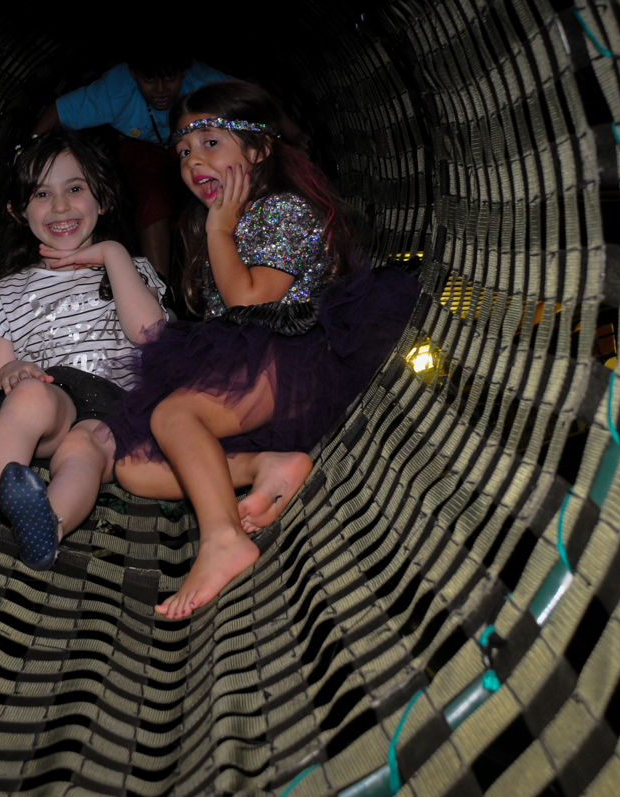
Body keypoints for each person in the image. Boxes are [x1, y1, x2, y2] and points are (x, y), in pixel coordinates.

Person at [106, 82, 421, 618]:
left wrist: (221, 231)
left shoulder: (282, 210)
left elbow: (250, 299)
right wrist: (217, 232)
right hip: (254, 371)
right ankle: (265, 466)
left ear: (258, 150)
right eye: (183, 151)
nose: (193, 159)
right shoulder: (215, 226)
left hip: (299, 357)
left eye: (210, 142)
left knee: (174, 415)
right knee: (133, 467)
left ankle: (223, 539)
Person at [0, 128, 168, 570]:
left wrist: (115, 254)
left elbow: (150, 333)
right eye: (42, 194)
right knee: (28, 396)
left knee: (84, 449)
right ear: (19, 211)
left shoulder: (130, 269)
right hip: (53, 398)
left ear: (103, 200)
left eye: (75, 189)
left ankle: (47, 528)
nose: (60, 206)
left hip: (119, 411)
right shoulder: (5, 295)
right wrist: (10, 375)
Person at [32, 47, 308, 281]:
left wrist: (295, 134)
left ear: (184, 72)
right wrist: (31, 149)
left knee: (200, 180)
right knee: (152, 193)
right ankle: (160, 282)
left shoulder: (204, 82)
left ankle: (209, 258)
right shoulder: (114, 90)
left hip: (189, 142)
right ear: (133, 74)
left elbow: (256, 100)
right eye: (149, 78)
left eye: (169, 77)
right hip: (139, 144)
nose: (161, 89)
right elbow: (60, 110)